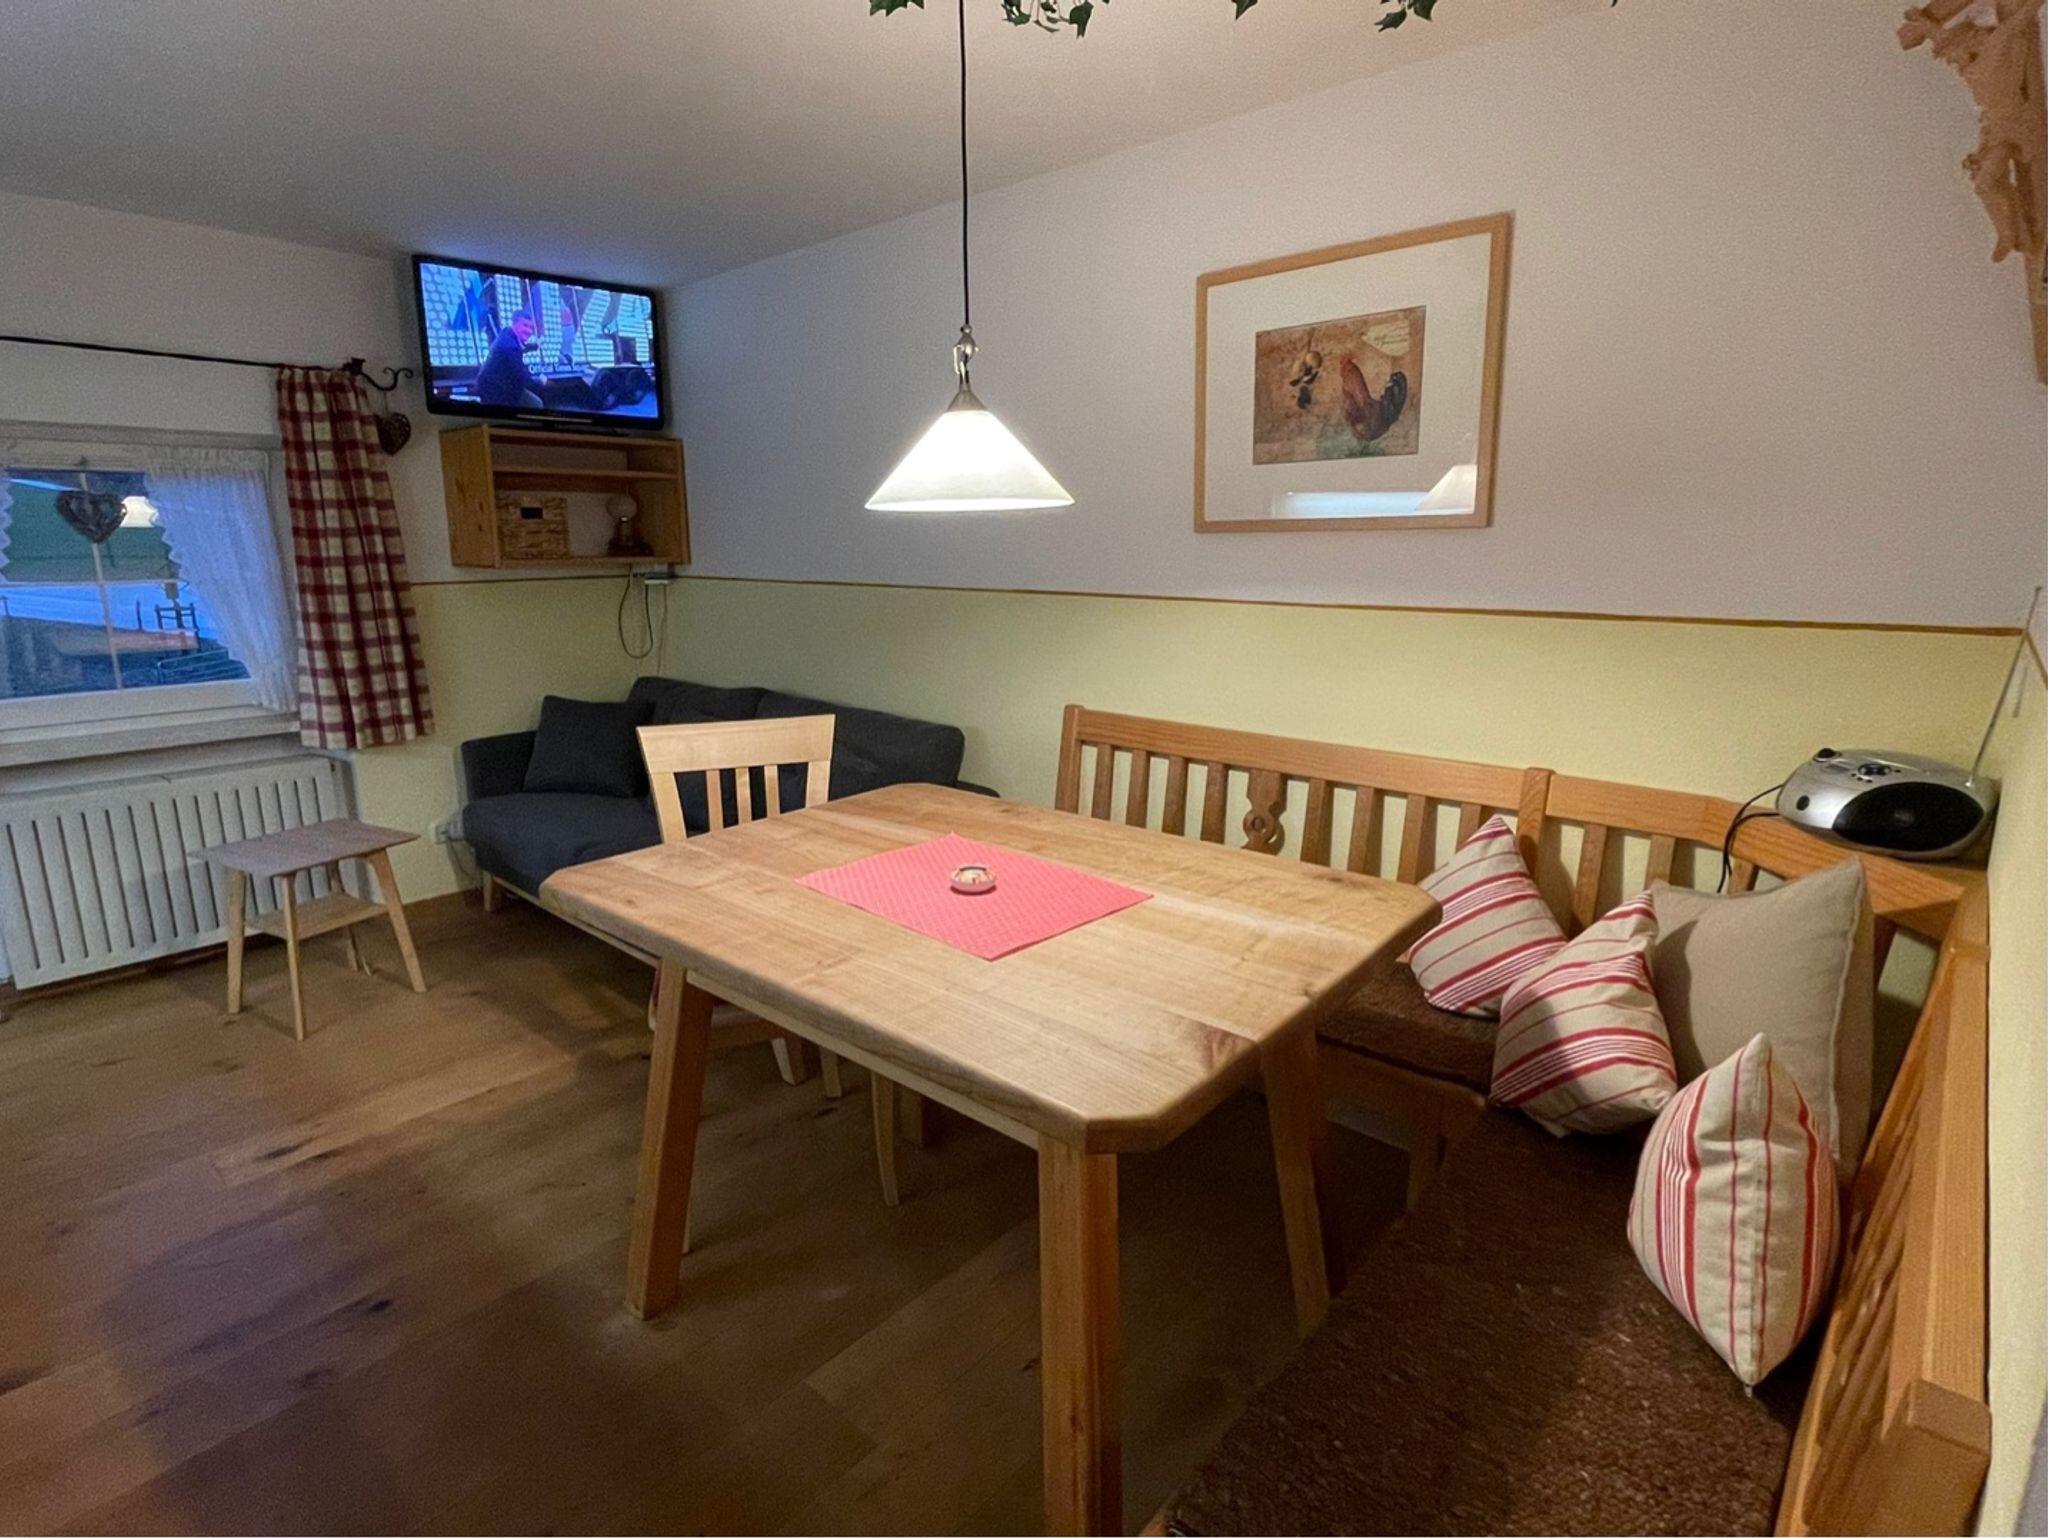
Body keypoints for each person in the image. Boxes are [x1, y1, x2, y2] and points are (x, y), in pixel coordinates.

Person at [473, 310, 544, 408]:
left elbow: (522, 347)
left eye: (531, 327)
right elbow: (522, 376)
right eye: (525, 326)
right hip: (496, 391)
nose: (529, 331)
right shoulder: (511, 347)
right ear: (515, 323)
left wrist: (535, 346)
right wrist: (540, 382)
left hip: (496, 385)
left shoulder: (507, 333)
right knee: (536, 404)